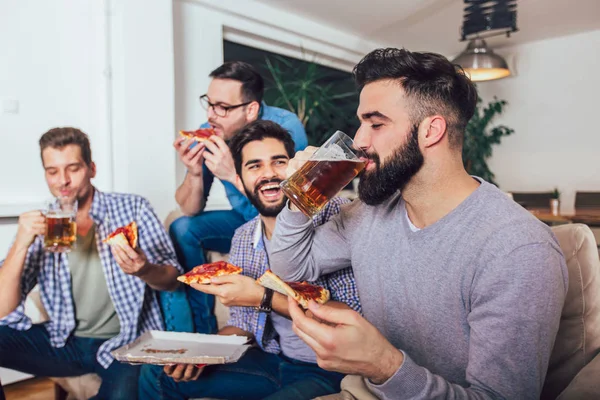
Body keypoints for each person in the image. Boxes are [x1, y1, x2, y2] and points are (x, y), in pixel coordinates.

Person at [269, 48, 568, 399]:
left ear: (431, 130)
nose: (360, 141)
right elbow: (292, 266)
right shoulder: (371, 212)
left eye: (376, 124)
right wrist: (301, 197)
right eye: (361, 123)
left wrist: (383, 365)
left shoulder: (518, 250)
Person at [140, 120, 360, 400]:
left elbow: (353, 320)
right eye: (254, 166)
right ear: (240, 179)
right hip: (274, 360)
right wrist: (196, 351)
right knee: (158, 374)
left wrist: (262, 296)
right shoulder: (244, 237)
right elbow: (244, 326)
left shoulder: (337, 215)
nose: (268, 174)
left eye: (279, 162)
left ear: (295, 168)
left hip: (331, 367)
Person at [0, 127, 182, 399]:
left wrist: (144, 269)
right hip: (64, 342)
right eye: (52, 171)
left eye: (73, 168)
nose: (63, 181)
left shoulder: (133, 209)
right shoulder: (42, 223)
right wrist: (20, 244)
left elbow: (172, 278)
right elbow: (3, 307)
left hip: (126, 343)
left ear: (92, 168)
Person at [171, 61, 308, 334]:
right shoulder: (212, 130)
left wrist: (232, 174)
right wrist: (194, 172)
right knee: (182, 228)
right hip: (242, 219)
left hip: (280, 220)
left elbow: (294, 204)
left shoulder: (286, 128)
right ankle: (201, 331)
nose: (211, 115)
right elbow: (189, 208)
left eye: (222, 107)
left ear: (251, 110)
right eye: (209, 104)